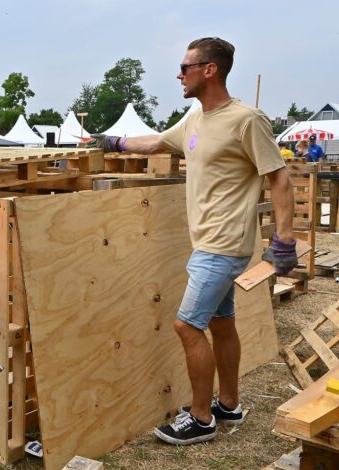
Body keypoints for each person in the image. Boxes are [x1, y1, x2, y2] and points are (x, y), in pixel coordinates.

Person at [90, 37, 295, 445]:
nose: (178, 75)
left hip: (224, 244)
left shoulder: (246, 120)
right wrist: (113, 142)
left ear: (209, 69)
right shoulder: (195, 120)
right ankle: (229, 405)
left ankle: (201, 419)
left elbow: (279, 177)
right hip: (206, 243)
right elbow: (157, 142)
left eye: (185, 67)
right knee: (221, 322)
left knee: (187, 325)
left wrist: (285, 240)